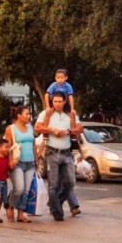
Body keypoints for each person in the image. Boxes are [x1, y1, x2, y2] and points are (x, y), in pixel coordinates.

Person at [36, 90, 81, 221]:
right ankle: (56, 211)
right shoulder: (47, 113)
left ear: (65, 101)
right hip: (52, 152)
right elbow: (37, 128)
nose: (57, 104)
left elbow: (80, 129)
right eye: (54, 101)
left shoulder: (69, 114)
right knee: (53, 184)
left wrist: (68, 131)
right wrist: (52, 130)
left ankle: (55, 202)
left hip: (67, 152)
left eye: (60, 101)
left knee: (70, 182)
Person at [5, 102, 38, 224]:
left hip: (30, 163)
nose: (28, 116)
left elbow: (33, 144)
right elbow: (8, 146)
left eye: (29, 114)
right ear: (19, 115)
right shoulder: (11, 129)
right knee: (19, 188)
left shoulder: (30, 127)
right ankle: (10, 207)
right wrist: (9, 161)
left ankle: (20, 213)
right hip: (17, 162)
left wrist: (36, 159)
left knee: (26, 190)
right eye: (26, 114)